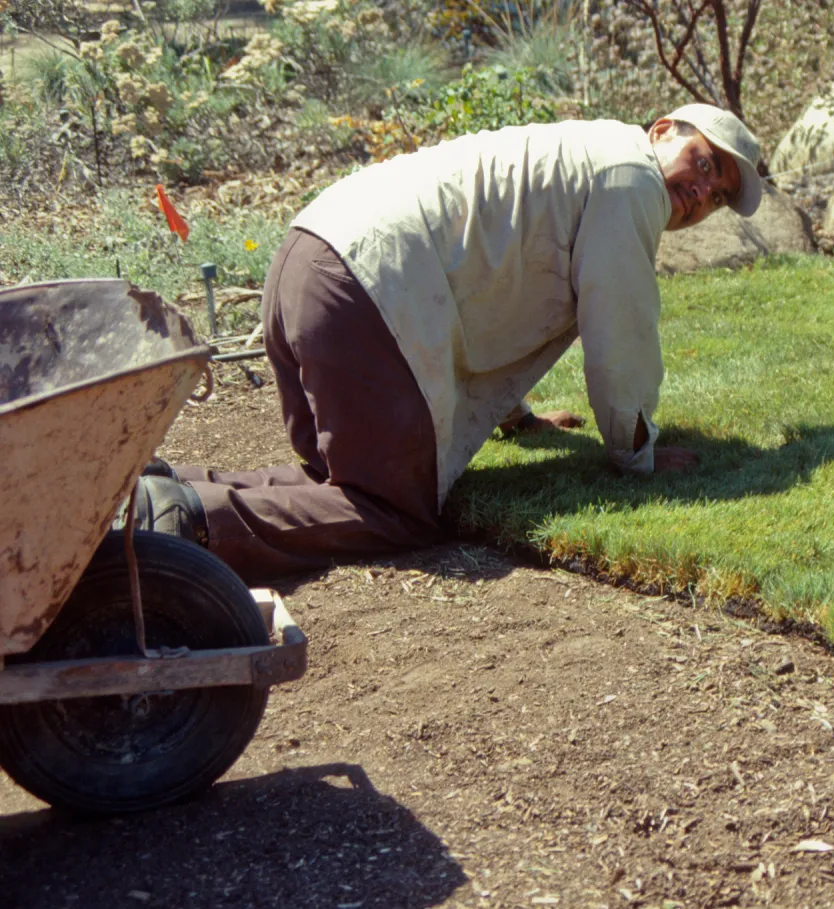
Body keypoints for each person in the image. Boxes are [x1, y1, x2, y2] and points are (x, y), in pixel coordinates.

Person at [124, 103, 764, 583]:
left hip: (310, 254)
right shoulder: (632, 180)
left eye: (720, 194)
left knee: (335, 479)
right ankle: (190, 523)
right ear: (662, 131)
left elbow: (495, 274)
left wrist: (518, 416)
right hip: (365, 290)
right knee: (389, 509)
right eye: (705, 163)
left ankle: (160, 485)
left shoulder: (591, 152)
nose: (703, 191)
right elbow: (620, 329)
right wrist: (637, 451)